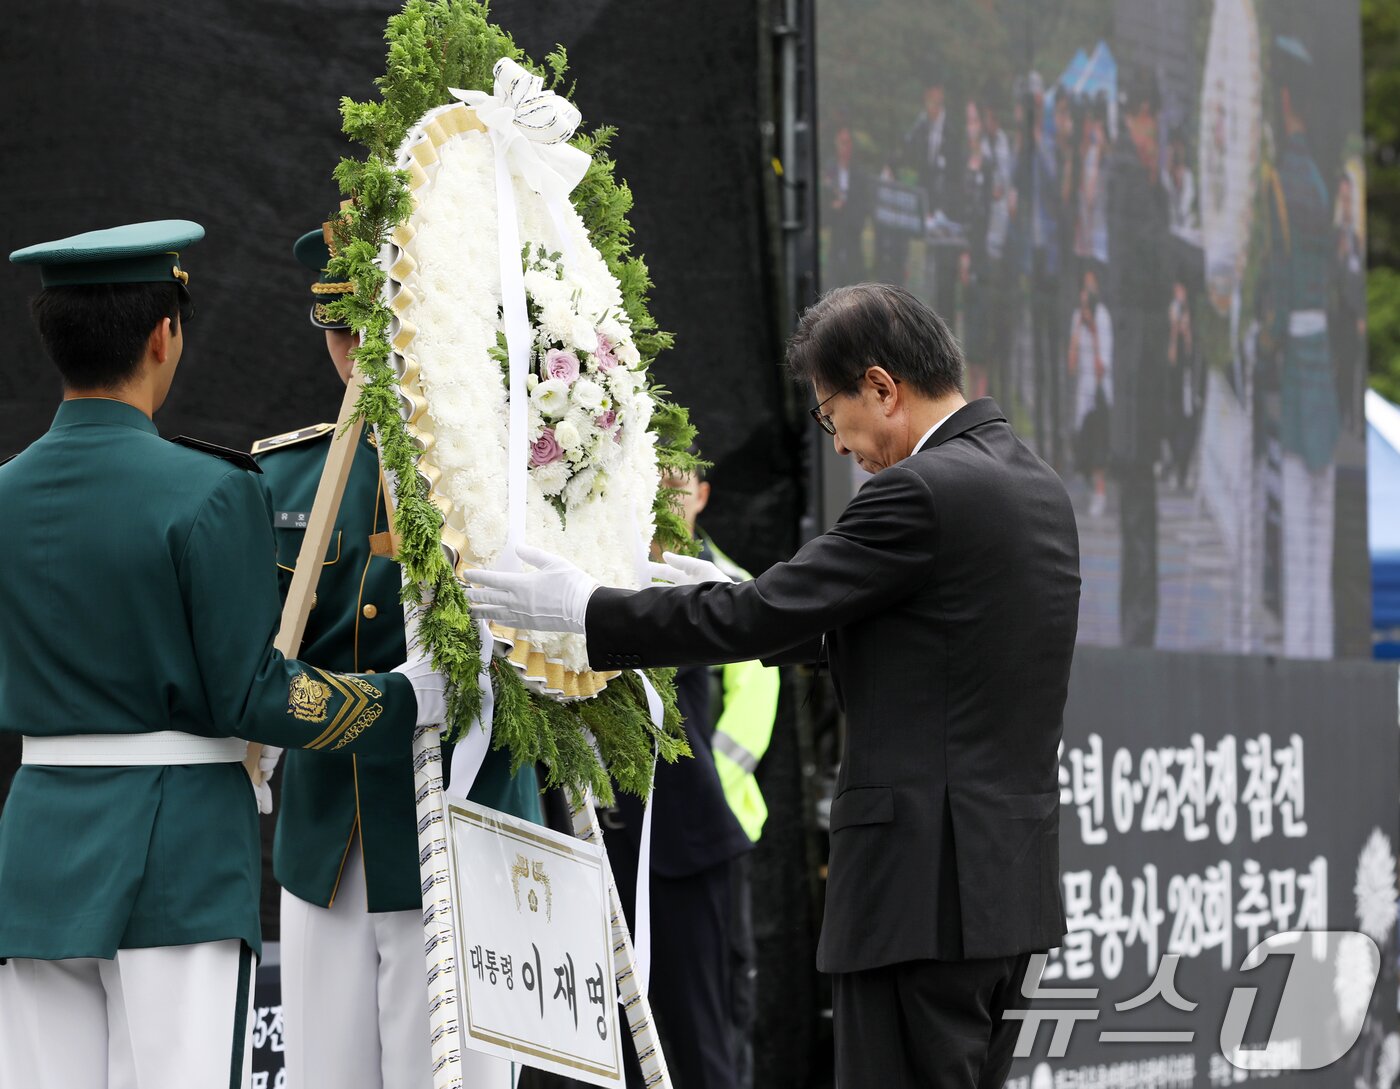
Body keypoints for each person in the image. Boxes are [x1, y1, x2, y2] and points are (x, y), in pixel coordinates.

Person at [466, 283, 1082, 1089]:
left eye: (831, 415)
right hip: (1007, 895)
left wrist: (588, 610)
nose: (837, 444)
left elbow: (759, 613)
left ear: (881, 387)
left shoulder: (919, 492)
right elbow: (933, 651)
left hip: (916, 898)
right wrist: (736, 599)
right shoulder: (1036, 487)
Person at [0, 220, 443, 1089]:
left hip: (36, 845)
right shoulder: (213, 492)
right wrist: (402, 699)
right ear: (165, 336)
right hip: (181, 849)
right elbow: (253, 694)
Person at [255, 226, 543, 1089]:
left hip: (470, 830)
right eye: (345, 337)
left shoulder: (508, 469)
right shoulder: (287, 479)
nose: (357, 357)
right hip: (328, 845)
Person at [1262, 37, 1338, 658]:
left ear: (1283, 99)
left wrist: (1266, 333)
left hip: (1294, 356)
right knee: (1319, 521)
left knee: (1299, 514)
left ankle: (1300, 651)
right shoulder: (1316, 174)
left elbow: (1279, 281)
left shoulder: (1284, 178)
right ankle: (1313, 643)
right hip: (1323, 362)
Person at [1107, 70, 1171, 648]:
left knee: (1142, 492)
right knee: (1136, 494)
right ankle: (1137, 624)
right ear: (1139, 115)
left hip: (1144, 354)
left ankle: (1142, 619)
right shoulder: (1127, 170)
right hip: (1134, 356)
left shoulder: (1142, 171)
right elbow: (1155, 244)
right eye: (1150, 117)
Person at [1067, 268, 1113, 518]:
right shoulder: (1077, 317)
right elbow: (1071, 365)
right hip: (1082, 394)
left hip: (1099, 392)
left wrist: (1093, 329)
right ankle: (1089, 489)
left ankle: (1101, 493)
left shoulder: (1103, 317)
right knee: (1082, 445)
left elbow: (1101, 366)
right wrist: (1078, 328)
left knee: (1098, 447)